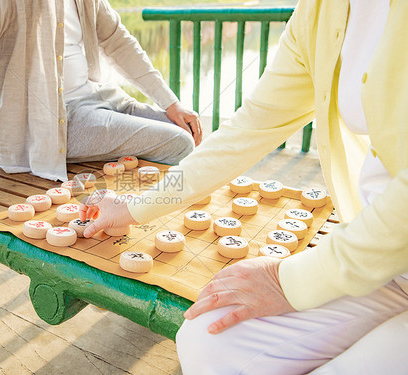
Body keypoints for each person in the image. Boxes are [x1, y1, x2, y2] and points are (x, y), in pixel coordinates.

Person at [80, 0, 408, 373]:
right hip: (381, 267)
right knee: (207, 339)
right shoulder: (319, 10)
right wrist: (133, 208)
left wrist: (287, 280)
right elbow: (245, 132)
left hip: (383, 251)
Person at [0, 0, 202, 240]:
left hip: (102, 96)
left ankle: (134, 213)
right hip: (52, 122)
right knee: (179, 143)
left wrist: (170, 103)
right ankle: (132, 221)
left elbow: (118, 40)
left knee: (181, 127)